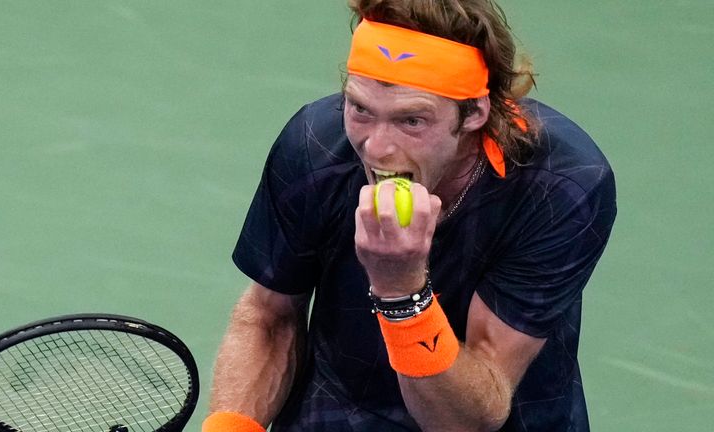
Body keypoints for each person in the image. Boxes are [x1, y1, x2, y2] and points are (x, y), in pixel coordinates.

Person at [202, 0, 617, 430]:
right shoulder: (316, 147)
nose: (376, 148)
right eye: (360, 109)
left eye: (411, 121)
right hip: (335, 413)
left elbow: (469, 418)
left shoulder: (559, 186)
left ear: (475, 112)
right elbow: (271, 318)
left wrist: (400, 290)